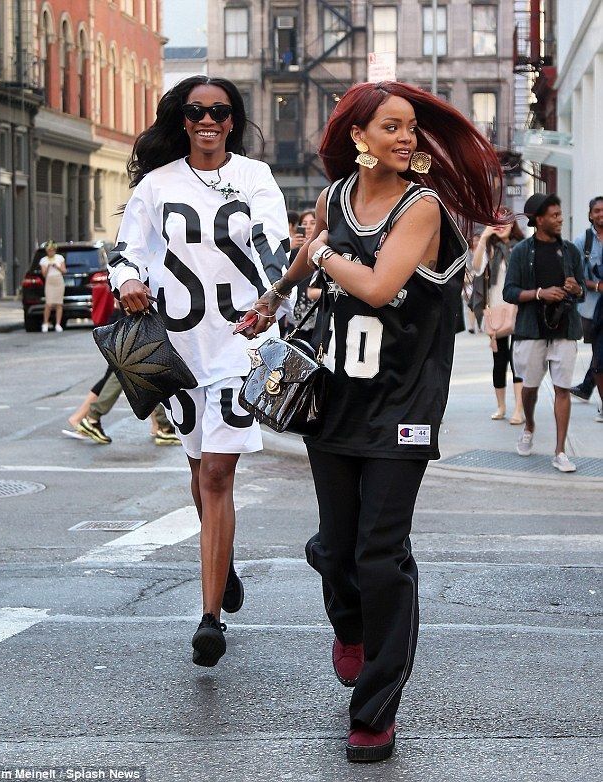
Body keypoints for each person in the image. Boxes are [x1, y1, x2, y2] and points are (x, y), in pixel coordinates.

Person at [243, 80, 503, 763]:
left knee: (380, 556)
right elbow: (310, 256)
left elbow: (380, 285)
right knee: (335, 548)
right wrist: (273, 297)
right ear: (359, 136)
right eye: (392, 126)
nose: (407, 137)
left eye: (411, 127)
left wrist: (324, 251)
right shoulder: (335, 199)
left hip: (403, 404)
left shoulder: (422, 207)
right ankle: (350, 626)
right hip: (335, 399)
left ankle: (375, 711)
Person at [107, 75, 289, 667]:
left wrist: (272, 301)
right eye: (195, 111)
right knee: (197, 474)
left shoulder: (256, 178)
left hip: (241, 344)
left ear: (232, 119)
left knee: (216, 475)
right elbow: (126, 249)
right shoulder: (157, 186)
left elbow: (272, 247)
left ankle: (209, 619)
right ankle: (223, 559)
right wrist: (128, 279)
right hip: (178, 350)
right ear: (181, 119)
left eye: (219, 111)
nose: (207, 120)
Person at [503, 193, 585, 472]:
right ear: (539, 220)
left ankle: (560, 451)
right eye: (554, 215)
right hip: (531, 330)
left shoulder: (571, 251)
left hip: (565, 329)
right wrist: (540, 293)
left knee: (563, 389)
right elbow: (509, 292)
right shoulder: (522, 252)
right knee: (530, 388)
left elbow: (581, 293)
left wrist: (577, 289)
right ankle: (529, 425)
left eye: (560, 214)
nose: (560, 219)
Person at [472, 217, 525, 423]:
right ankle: (501, 407)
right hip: (496, 312)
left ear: (513, 225)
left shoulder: (520, 248)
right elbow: (476, 268)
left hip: (519, 310)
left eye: (506, 222)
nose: (502, 226)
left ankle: (518, 409)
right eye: (497, 223)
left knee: (517, 361)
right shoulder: (489, 249)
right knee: (499, 361)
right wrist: (484, 237)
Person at [571, 196, 603, 420]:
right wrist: (598, 285)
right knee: (599, 355)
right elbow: (577, 275)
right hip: (592, 309)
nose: (601, 214)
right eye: (597, 211)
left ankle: (586, 387)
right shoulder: (583, 241)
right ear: (590, 214)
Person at [290, 209, 322, 343]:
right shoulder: (294, 252)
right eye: (304, 223)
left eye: (313, 222)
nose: (308, 227)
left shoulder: (325, 249)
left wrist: (314, 293)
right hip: (298, 318)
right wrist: (290, 248)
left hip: (319, 316)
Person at [39, 241, 66, 332]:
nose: (51, 252)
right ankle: (45, 323)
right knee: (49, 303)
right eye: (49, 250)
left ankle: (58, 324)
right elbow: (43, 274)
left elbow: (64, 270)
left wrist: (56, 266)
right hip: (50, 281)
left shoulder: (59, 258)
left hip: (58, 280)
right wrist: (48, 266)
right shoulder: (44, 260)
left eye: (52, 250)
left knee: (59, 303)